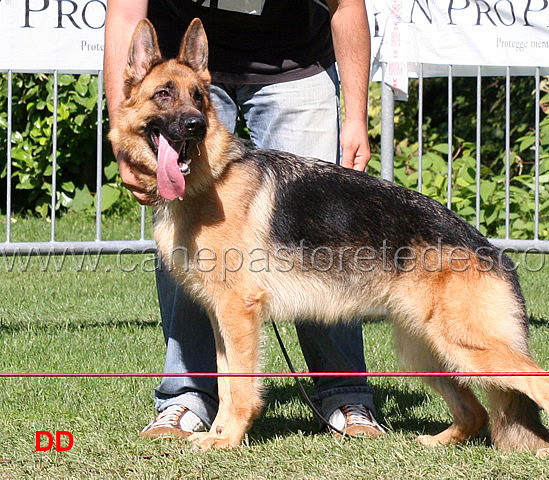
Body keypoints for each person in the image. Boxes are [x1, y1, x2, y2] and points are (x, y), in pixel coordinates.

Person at [104, 0, 384, 440]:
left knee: (323, 241)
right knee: (193, 257)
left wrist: (355, 116)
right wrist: (124, 140)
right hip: (184, 68)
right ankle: (187, 398)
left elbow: (346, 4)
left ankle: (345, 395)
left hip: (292, 64)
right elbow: (124, 15)